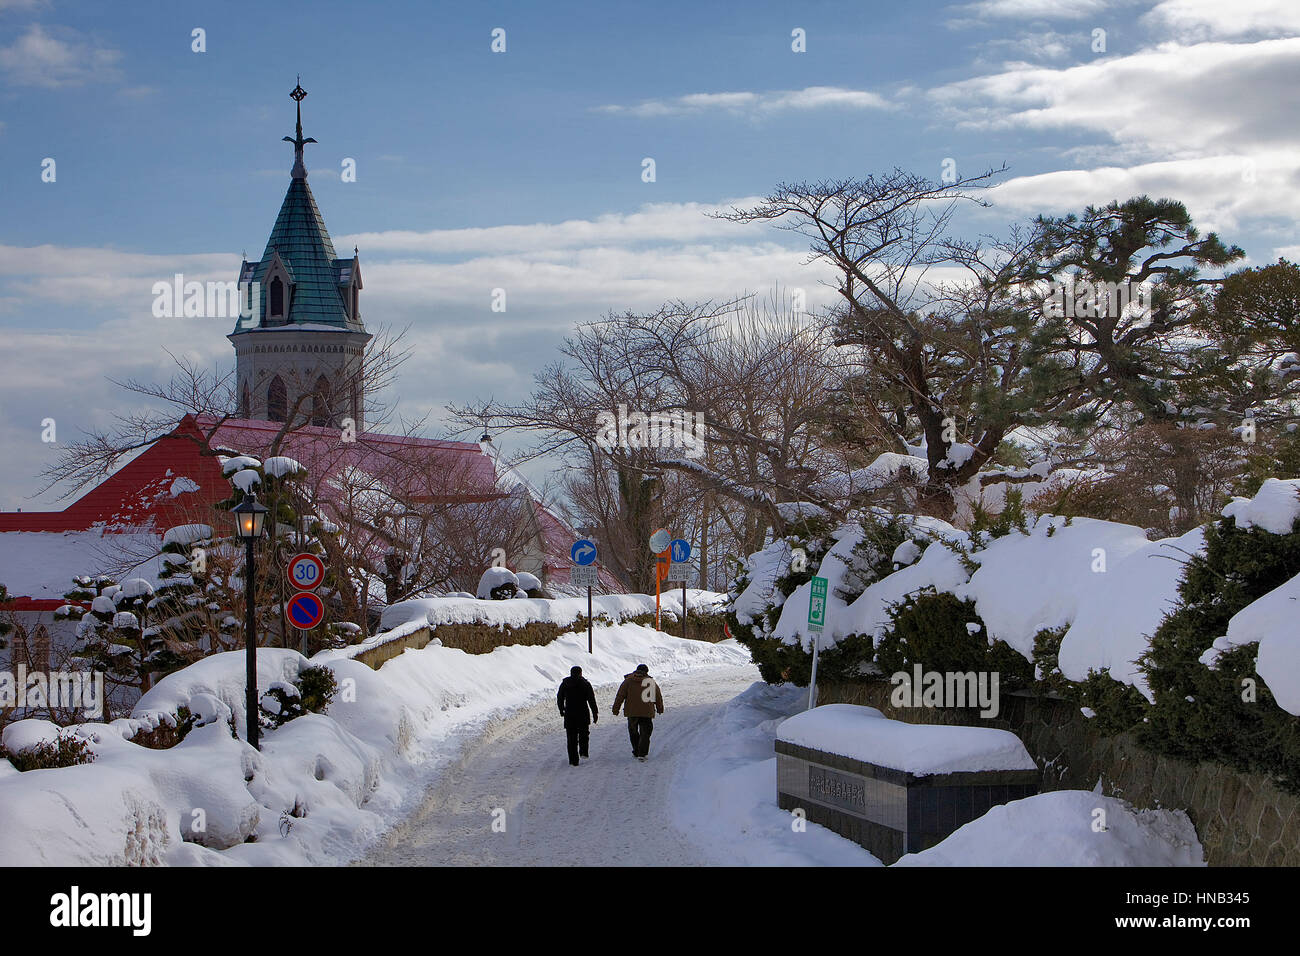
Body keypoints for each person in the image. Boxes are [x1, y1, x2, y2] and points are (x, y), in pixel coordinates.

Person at [612, 663, 664, 761]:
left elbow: (620, 696)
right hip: (647, 711)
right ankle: (642, 753)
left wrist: (616, 709)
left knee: (633, 732)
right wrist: (660, 708)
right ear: (646, 672)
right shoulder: (650, 682)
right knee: (645, 732)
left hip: (632, 712)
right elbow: (658, 697)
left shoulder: (628, 681)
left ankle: (636, 750)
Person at [556, 665, 598, 766]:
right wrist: (595, 713)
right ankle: (583, 752)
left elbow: (560, 698)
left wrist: (561, 709)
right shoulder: (585, 684)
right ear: (581, 673)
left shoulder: (565, 684)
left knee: (571, 738)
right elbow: (591, 700)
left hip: (569, 714)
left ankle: (573, 760)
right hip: (582, 713)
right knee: (584, 734)